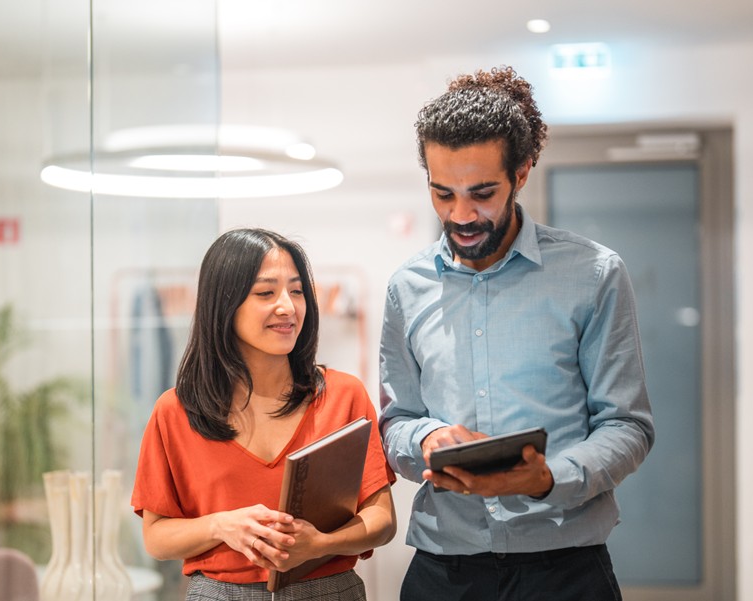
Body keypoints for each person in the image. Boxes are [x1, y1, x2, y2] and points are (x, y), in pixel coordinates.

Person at [378, 66, 655, 601]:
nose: (461, 215)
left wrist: (547, 478)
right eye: (442, 194)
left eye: (482, 193)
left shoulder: (594, 274)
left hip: (565, 570)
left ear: (522, 172)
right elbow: (397, 422)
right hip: (444, 570)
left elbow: (627, 426)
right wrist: (426, 440)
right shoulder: (406, 288)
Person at [132, 228, 397, 600]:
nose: (287, 307)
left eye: (297, 291)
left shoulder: (343, 395)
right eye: (265, 293)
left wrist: (320, 544)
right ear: (224, 303)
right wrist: (221, 526)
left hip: (329, 590)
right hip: (219, 593)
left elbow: (382, 520)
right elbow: (156, 537)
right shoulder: (176, 411)